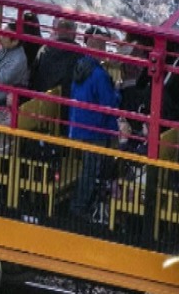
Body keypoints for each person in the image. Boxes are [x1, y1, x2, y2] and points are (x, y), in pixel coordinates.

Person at [68, 33, 122, 221]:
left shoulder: (79, 67)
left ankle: (80, 204)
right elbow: (109, 104)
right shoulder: (99, 74)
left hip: (78, 126)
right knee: (92, 171)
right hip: (96, 129)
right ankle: (80, 207)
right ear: (99, 49)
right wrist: (116, 92)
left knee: (88, 169)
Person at [31, 18, 82, 94]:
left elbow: (33, 74)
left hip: (40, 97)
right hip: (65, 99)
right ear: (74, 33)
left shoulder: (44, 49)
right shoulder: (80, 53)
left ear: (57, 32)